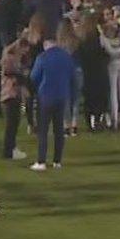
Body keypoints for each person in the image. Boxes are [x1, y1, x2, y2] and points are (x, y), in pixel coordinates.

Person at [30, 34, 76, 171]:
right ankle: (57, 161)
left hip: (45, 96)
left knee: (43, 130)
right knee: (59, 130)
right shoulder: (67, 57)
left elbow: (34, 77)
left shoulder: (42, 57)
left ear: (45, 44)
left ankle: (41, 161)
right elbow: (73, 77)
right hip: (62, 96)